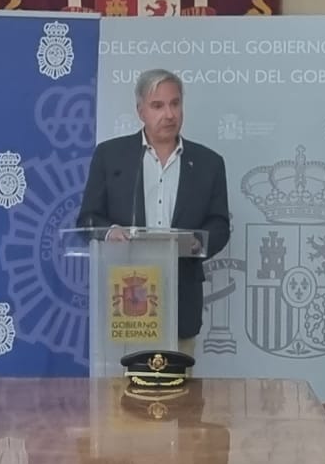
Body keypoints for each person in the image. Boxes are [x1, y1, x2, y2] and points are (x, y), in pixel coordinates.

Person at [76, 68, 232, 351]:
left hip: (181, 298)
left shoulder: (209, 163)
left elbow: (220, 224)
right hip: (125, 300)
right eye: (157, 106)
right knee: (123, 394)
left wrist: (197, 242)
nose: (169, 114)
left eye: (175, 104)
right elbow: (88, 218)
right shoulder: (110, 156)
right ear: (140, 111)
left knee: (180, 392)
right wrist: (111, 232)